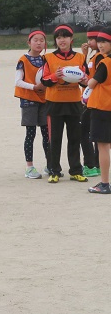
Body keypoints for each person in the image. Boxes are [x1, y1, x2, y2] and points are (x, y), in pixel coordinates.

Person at [41, 24, 89, 184]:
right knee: (55, 139)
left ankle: (76, 170)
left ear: (71, 39)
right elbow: (44, 80)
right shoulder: (48, 58)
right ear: (55, 40)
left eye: (65, 36)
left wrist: (83, 80)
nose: (62, 40)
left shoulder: (80, 58)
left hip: (74, 103)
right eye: (59, 37)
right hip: (55, 103)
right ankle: (54, 170)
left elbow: (86, 81)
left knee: (75, 137)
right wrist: (56, 75)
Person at [13, 29, 50, 179]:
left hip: (44, 100)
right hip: (29, 100)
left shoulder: (45, 60)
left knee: (46, 133)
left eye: (42, 40)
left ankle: (50, 164)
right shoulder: (23, 59)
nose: (39, 43)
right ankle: (30, 167)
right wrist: (34, 87)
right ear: (29, 42)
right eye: (36, 40)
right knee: (31, 133)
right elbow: (18, 81)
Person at [84, 27, 111, 194]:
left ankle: (104, 183)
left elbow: (91, 83)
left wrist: (86, 79)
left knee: (103, 146)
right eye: (99, 41)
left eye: (105, 41)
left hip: (102, 107)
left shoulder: (105, 62)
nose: (101, 45)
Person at [80, 25, 104, 178]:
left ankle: (91, 165)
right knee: (97, 134)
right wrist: (84, 55)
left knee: (85, 132)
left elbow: (90, 78)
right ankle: (98, 163)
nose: (89, 42)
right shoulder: (94, 56)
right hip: (93, 99)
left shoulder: (100, 57)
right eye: (88, 38)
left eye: (92, 39)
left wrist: (84, 82)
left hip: (93, 100)